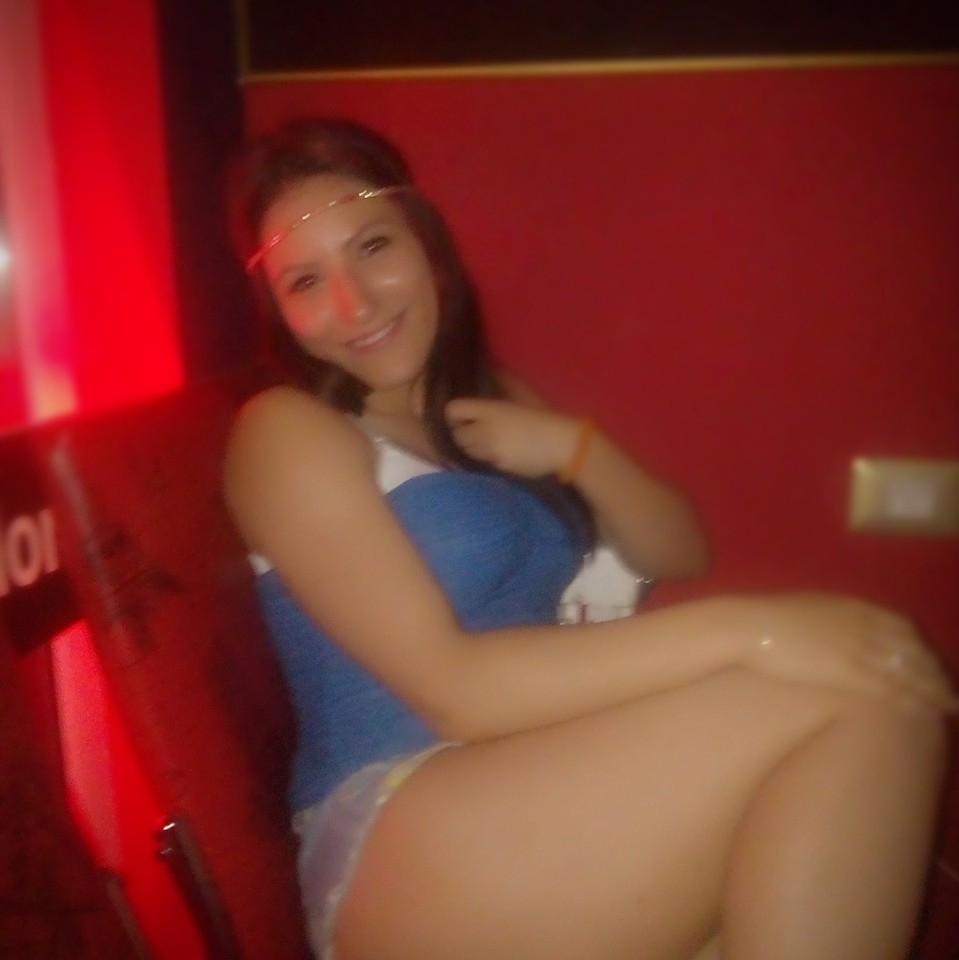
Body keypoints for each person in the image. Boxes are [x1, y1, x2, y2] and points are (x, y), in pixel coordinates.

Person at [222, 117, 953, 960]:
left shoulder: (491, 401)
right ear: (279, 309)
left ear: (426, 242)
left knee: (865, 712)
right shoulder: (287, 432)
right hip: (394, 821)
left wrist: (577, 448)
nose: (354, 304)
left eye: (373, 247)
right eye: (306, 281)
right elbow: (456, 691)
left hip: (532, 773)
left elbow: (676, 552)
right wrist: (754, 629)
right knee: (859, 697)